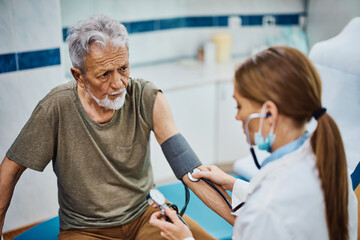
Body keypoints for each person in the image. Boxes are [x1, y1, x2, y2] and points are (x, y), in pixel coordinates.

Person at [0, 14, 234, 239]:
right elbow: (10, 169)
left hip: (146, 215)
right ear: (78, 76)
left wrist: (243, 219)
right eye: (104, 75)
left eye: (123, 68)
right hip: (85, 230)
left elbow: (191, 170)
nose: (118, 84)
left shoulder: (147, 97)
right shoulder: (56, 107)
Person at [149, 46, 358, 240]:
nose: (237, 116)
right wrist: (232, 183)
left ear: (269, 112)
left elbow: (271, 208)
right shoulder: (332, 166)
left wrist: (185, 238)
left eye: (239, 106)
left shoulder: (267, 208)